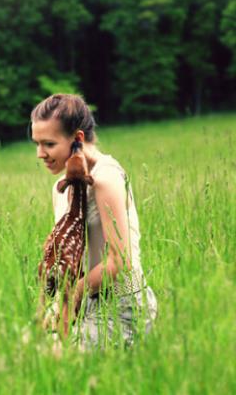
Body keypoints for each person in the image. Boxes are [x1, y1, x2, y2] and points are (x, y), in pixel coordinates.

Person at [30, 93, 157, 351]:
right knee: (28, 352)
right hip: (85, 301)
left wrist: (71, 296)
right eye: (37, 144)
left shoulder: (106, 178)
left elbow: (120, 262)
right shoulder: (60, 188)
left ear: (77, 138)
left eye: (49, 144)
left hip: (122, 306)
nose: (40, 154)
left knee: (56, 358)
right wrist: (55, 303)